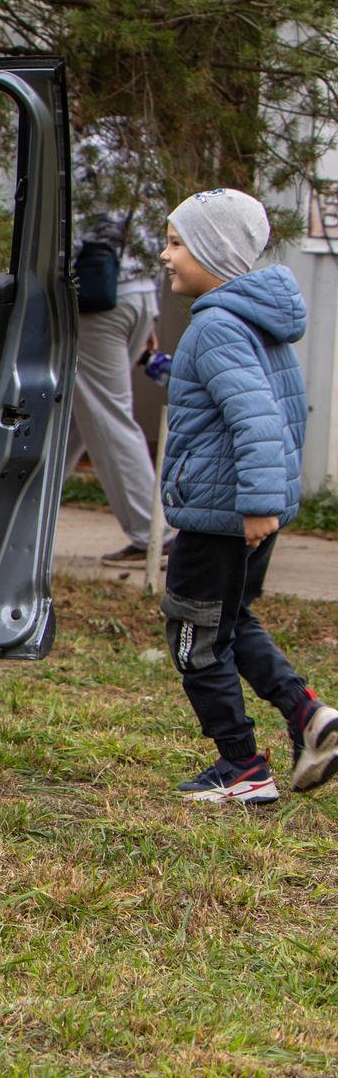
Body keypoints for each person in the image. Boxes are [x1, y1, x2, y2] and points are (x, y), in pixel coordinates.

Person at [157, 188, 338, 804]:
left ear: (215, 251)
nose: (166, 254)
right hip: (245, 511)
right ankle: (307, 714)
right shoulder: (256, 322)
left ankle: (242, 767)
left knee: (194, 635)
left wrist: (255, 503)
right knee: (231, 621)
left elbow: (256, 419)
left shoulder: (215, 325)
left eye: (178, 243)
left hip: (223, 515)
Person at [71, 128, 163, 564]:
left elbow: (71, 225)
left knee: (107, 416)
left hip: (99, 297)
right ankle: (20, 518)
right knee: (73, 416)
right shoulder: (139, 151)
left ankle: (154, 535)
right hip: (139, 293)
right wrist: (152, 311)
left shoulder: (87, 149)